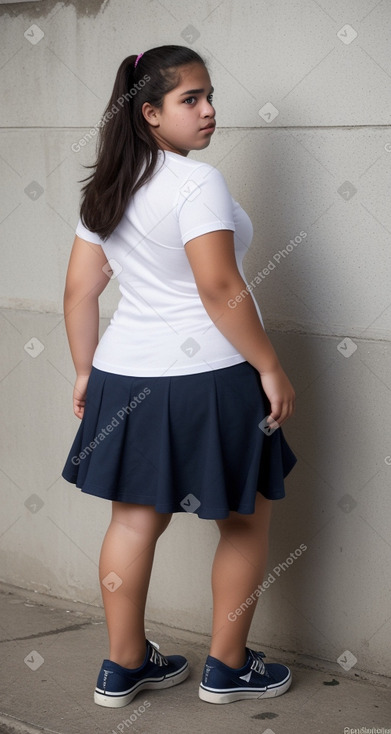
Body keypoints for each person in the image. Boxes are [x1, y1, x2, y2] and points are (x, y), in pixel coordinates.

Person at [62, 44, 297, 708]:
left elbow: (79, 293)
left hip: (122, 374)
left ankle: (123, 666)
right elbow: (218, 285)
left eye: (208, 95)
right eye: (190, 99)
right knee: (245, 522)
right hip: (207, 379)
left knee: (134, 521)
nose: (208, 110)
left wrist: (85, 372)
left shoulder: (105, 187)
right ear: (148, 112)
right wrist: (270, 365)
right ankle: (225, 670)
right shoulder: (196, 184)